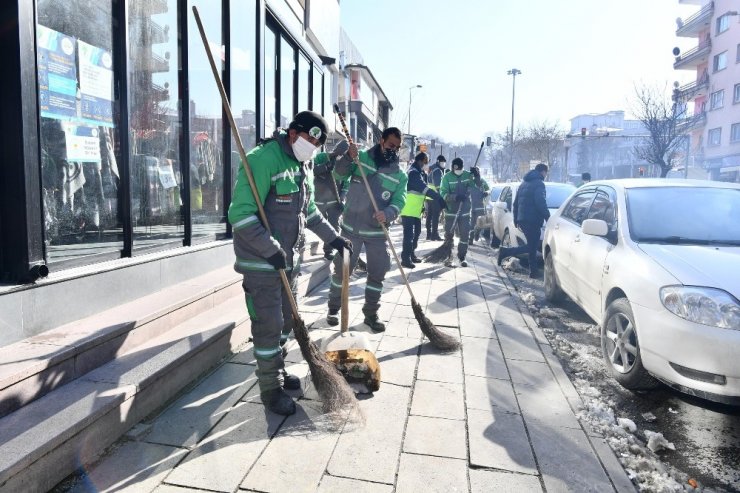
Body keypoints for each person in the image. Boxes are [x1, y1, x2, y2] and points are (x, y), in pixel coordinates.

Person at [228, 110, 352, 416]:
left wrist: (333, 238)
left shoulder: (303, 164)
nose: (312, 146)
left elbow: (308, 212)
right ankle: (270, 388)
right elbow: (240, 214)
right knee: (269, 325)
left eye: (317, 143)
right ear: (293, 133)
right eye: (309, 139)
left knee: (286, 322)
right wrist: (269, 248)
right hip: (261, 262)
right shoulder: (262, 159)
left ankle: (279, 372)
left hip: (288, 262)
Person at [326, 127, 407, 332]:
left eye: (397, 148)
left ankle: (371, 313)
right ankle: (333, 308)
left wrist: (388, 213)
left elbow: (400, 200)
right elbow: (338, 173)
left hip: (377, 233)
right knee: (342, 271)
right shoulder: (360, 158)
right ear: (381, 141)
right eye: (390, 145)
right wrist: (347, 157)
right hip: (350, 230)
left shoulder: (399, 175)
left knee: (378, 272)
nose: (393, 150)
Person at [497, 163, 550, 278]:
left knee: (532, 245)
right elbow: (540, 202)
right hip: (533, 220)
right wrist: (548, 217)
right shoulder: (539, 184)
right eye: (546, 172)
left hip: (523, 219)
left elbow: (516, 204)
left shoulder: (524, 183)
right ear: (543, 172)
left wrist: (516, 219)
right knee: (532, 246)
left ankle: (533, 271)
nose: (546, 175)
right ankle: (505, 252)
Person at [400, 152, 447, 268]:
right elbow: (424, 188)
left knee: (417, 233)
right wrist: (438, 197)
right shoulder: (413, 173)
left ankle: (411, 254)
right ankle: (405, 259)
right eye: (426, 162)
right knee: (409, 235)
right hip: (408, 209)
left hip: (415, 210)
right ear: (420, 161)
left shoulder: (419, 172)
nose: (427, 164)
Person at [313, 140, 350, 260]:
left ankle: (328, 250)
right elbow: (310, 169)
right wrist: (325, 167)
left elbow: (346, 183)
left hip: (335, 202)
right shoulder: (321, 157)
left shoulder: (344, 163)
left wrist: (342, 199)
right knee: (315, 225)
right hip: (318, 200)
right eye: (338, 152)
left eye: (342, 153)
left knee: (333, 226)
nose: (339, 155)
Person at [440, 157, 474, 267]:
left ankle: (462, 257)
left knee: (465, 235)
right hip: (451, 212)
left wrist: (476, 176)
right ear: (452, 168)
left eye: (460, 170)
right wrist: (455, 197)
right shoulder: (447, 177)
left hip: (464, 213)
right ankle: (448, 257)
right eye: (456, 170)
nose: (459, 172)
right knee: (449, 235)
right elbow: (443, 194)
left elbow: (477, 187)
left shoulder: (468, 175)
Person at [425, 155, 447, 240]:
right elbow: (438, 186)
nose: (443, 164)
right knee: (435, 216)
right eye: (442, 162)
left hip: (429, 196)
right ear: (438, 162)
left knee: (429, 216)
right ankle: (434, 235)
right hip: (435, 197)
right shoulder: (438, 171)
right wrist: (441, 198)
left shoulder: (431, 169)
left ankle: (428, 234)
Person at [468, 165, 490, 244]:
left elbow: (488, 189)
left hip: (481, 206)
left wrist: (486, 193)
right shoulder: (471, 181)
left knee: (481, 223)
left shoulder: (482, 181)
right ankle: (470, 239)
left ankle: (477, 232)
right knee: (472, 224)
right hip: (473, 206)